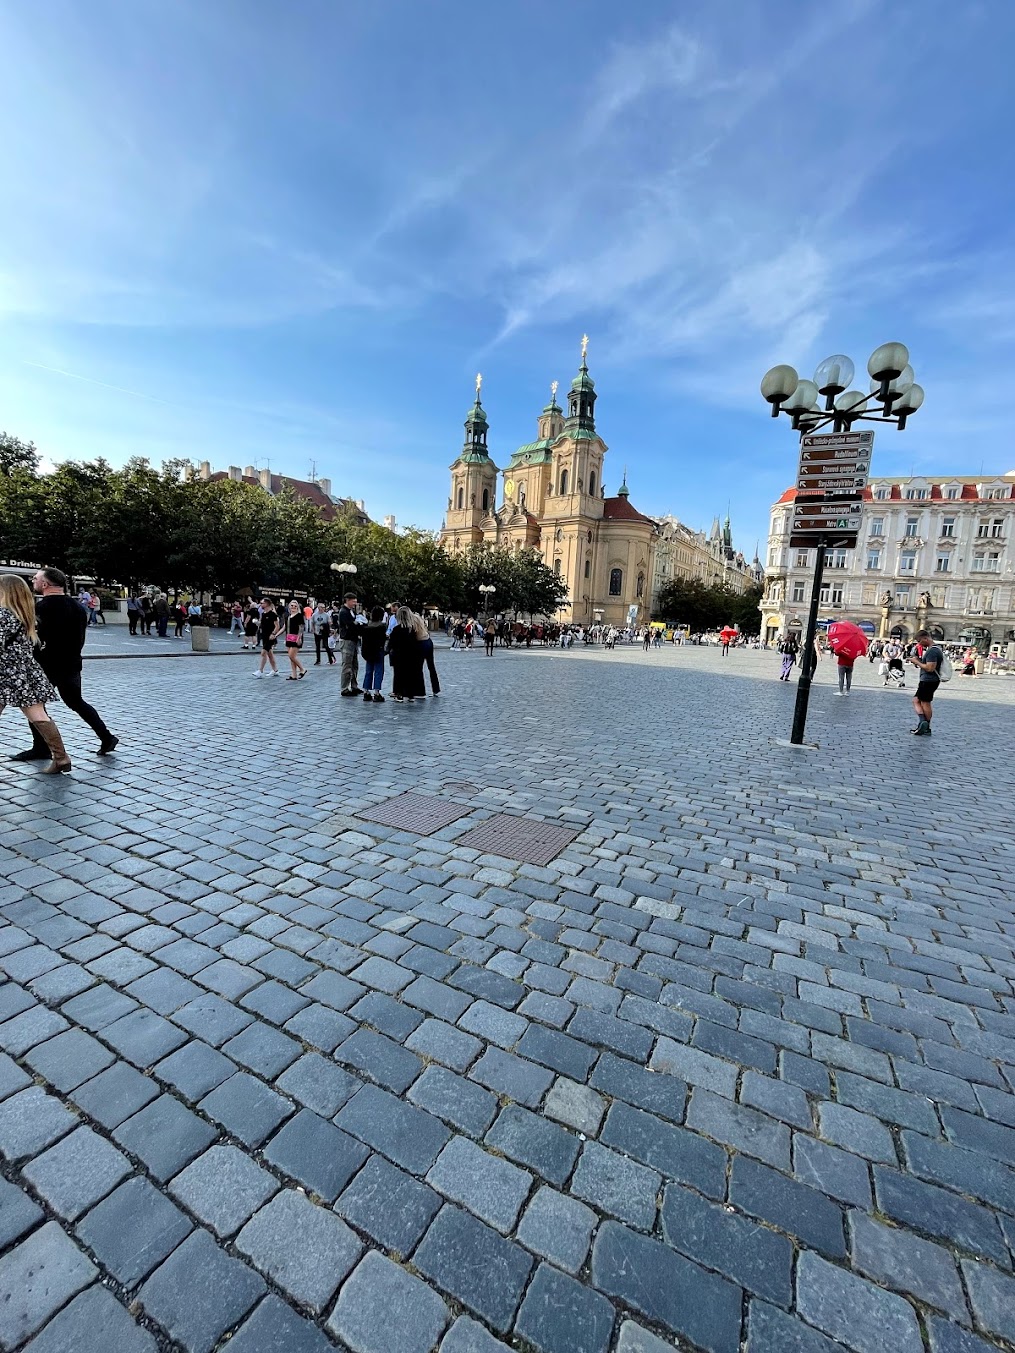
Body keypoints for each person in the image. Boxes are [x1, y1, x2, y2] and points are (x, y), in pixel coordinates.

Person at [8, 568, 117, 762]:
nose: (33, 581)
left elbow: (35, 638)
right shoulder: (77, 607)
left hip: (46, 664)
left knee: (35, 705)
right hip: (72, 663)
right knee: (76, 702)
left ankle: (41, 747)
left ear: (45, 584)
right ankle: (106, 736)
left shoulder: (41, 608)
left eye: (36, 579)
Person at [0, 575, 72, 773]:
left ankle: (61, 758)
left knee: (37, 715)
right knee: (39, 715)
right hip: (26, 672)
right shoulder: (24, 614)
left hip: (4, 674)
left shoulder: (2, 615)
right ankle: (61, 757)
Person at [387, 606, 426, 702]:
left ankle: (399, 694)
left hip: (398, 656)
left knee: (398, 675)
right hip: (411, 656)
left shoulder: (396, 630)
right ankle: (410, 694)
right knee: (410, 675)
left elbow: (391, 644)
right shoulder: (412, 630)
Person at [909, 628, 942, 736]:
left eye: (919, 641)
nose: (919, 644)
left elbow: (930, 668)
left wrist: (916, 662)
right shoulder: (934, 649)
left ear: (925, 638)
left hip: (929, 680)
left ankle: (926, 725)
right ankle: (923, 722)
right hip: (928, 680)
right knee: (916, 700)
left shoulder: (933, 651)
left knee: (925, 702)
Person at [337, 592, 362, 697]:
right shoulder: (343, 612)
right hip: (347, 640)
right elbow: (350, 625)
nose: (355, 603)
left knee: (354, 665)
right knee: (347, 665)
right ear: (347, 600)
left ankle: (354, 685)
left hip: (353, 640)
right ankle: (344, 688)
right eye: (353, 600)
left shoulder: (351, 611)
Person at [360, 606, 388, 701]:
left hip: (368, 652)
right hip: (378, 651)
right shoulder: (382, 626)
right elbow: (383, 639)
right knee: (378, 671)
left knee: (368, 671)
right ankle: (376, 692)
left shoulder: (367, 626)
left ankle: (366, 691)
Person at [253, 599, 281, 677]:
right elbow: (262, 625)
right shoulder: (263, 614)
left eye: (262, 603)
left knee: (263, 652)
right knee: (270, 654)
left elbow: (277, 626)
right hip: (264, 636)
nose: (260, 604)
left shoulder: (273, 614)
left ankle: (260, 671)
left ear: (267, 604)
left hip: (270, 637)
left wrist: (273, 634)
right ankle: (275, 670)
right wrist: (257, 622)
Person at [282, 601, 307, 680]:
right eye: (292, 605)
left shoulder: (299, 616)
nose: (293, 607)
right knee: (291, 657)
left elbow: (301, 628)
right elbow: (284, 627)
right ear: (289, 606)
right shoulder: (288, 616)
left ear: (297, 607)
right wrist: (275, 635)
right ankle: (294, 674)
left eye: (295, 606)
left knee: (291, 656)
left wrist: (299, 638)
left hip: (296, 637)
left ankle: (302, 669)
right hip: (289, 637)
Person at [419, 614, 441, 694]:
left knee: (418, 668)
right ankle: (436, 689)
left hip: (421, 643)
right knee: (431, 666)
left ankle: (421, 692)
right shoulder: (419, 619)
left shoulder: (412, 620)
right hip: (428, 641)